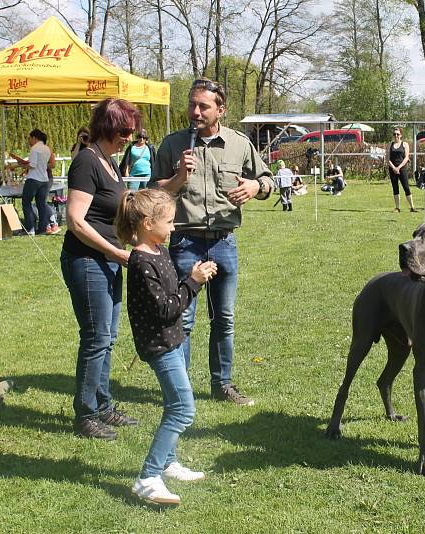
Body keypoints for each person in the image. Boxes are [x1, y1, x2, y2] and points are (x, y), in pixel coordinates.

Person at [149, 78, 274, 406]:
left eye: (203, 106)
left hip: (223, 243)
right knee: (183, 319)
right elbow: (152, 194)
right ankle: (182, 388)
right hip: (184, 242)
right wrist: (178, 177)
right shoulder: (173, 145)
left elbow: (269, 180)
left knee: (224, 319)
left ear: (221, 110)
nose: (195, 111)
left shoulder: (239, 144)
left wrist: (254, 188)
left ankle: (222, 385)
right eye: (192, 104)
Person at [115, 188, 216, 505]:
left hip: (173, 340)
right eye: (169, 222)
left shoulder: (160, 251)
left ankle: (168, 462)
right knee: (183, 409)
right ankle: (148, 477)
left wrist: (190, 278)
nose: (173, 228)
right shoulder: (143, 262)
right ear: (147, 222)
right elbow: (167, 308)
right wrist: (195, 281)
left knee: (176, 402)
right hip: (160, 345)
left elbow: (171, 296)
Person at [61, 98, 142, 440]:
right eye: (125, 130)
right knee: (95, 338)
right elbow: (76, 221)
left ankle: (104, 406)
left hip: (110, 261)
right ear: (109, 127)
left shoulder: (109, 162)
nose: (130, 137)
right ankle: (86, 414)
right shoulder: (86, 162)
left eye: (132, 131)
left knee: (107, 339)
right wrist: (115, 252)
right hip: (87, 261)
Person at [9, 128, 53, 235]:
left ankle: (30, 229)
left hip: (33, 179)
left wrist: (18, 165)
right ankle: (42, 229)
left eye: (29, 138)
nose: (28, 141)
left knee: (26, 203)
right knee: (41, 204)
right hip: (44, 180)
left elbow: (32, 164)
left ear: (34, 138)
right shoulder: (47, 149)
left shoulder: (35, 148)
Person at [387, 127, 416, 212]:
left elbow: (406, 157)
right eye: (394, 134)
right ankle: (397, 207)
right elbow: (387, 159)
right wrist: (394, 168)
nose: (396, 135)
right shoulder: (390, 145)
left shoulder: (405, 144)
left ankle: (412, 207)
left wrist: (399, 168)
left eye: (397, 134)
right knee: (395, 187)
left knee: (406, 187)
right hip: (392, 169)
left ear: (401, 135)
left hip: (402, 168)